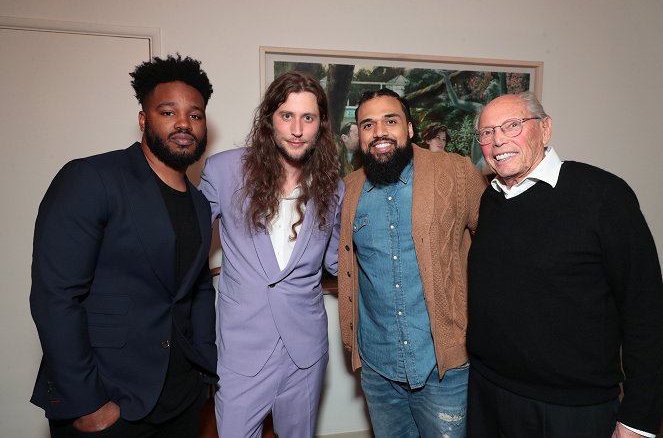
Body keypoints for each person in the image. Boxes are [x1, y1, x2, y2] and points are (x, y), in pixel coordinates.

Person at [30, 54, 218, 438]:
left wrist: (206, 370)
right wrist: (87, 403)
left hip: (182, 396)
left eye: (195, 115)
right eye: (169, 112)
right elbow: (56, 296)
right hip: (109, 400)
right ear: (144, 119)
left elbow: (196, 289)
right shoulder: (91, 178)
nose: (184, 123)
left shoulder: (199, 202)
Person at [467, 92, 663, 438]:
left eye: (512, 125)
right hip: (488, 393)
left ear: (545, 129)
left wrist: (639, 419)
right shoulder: (492, 198)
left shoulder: (603, 195)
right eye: (486, 133)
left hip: (571, 409)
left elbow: (645, 310)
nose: (498, 140)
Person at [199, 71, 343, 438]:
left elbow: (336, 262)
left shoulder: (334, 187)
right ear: (269, 120)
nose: (297, 129)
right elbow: (185, 240)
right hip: (242, 348)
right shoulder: (223, 170)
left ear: (321, 125)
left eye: (308, 118)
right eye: (287, 116)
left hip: (305, 350)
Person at [337, 88, 487, 438]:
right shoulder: (348, 190)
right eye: (368, 124)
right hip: (378, 367)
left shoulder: (456, 172)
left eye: (391, 121)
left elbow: (497, 245)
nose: (380, 132)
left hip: (445, 366)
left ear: (410, 128)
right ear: (358, 135)